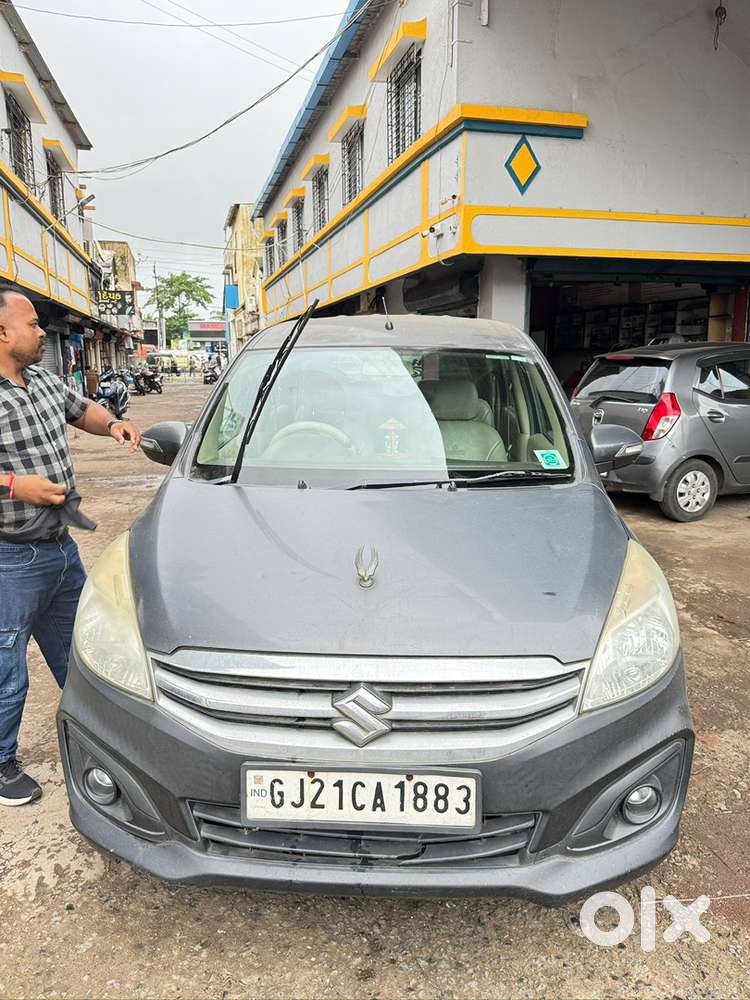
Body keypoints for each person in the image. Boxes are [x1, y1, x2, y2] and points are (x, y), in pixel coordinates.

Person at [0, 289, 141, 806]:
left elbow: (82, 412)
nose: (42, 332)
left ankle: (100, 738)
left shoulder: (41, 380)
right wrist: (16, 486)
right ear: (2, 333)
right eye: (32, 324)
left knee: (84, 650)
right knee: (7, 670)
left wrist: (113, 424)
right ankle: (1, 764)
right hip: (10, 558)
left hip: (59, 549)